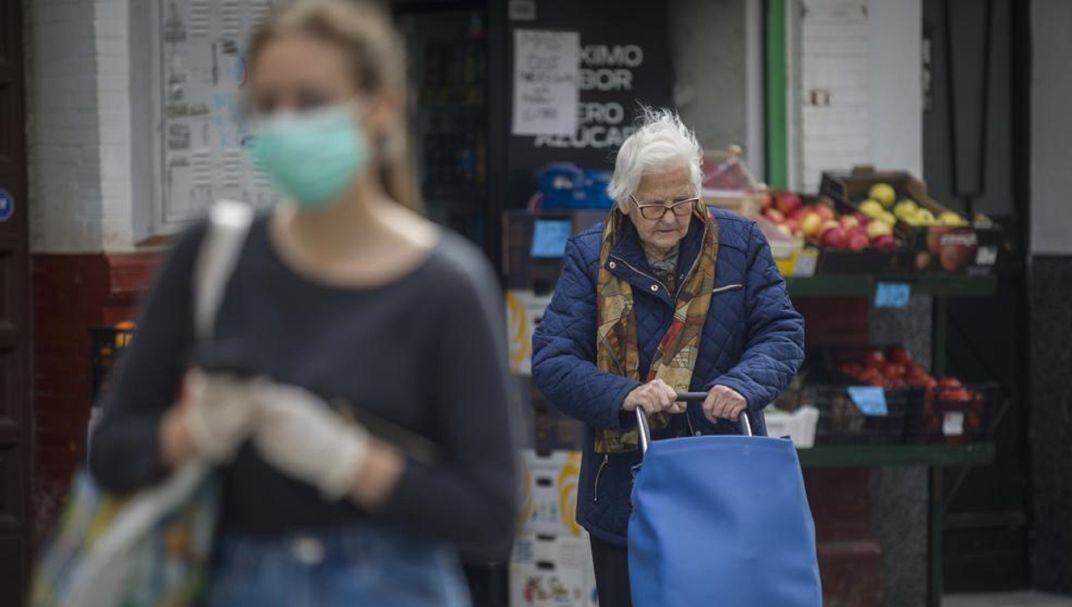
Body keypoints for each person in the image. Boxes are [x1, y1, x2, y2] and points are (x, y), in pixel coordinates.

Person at [89, 1, 517, 605]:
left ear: (381, 108)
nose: (286, 123)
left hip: (391, 585)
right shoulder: (213, 256)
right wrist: (192, 432)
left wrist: (347, 461)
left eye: (311, 101)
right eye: (267, 105)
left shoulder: (446, 285)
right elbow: (111, 452)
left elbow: (490, 518)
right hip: (232, 580)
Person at [532, 108, 804, 606]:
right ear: (625, 200)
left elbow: (781, 331)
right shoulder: (591, 256)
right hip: (625, 491)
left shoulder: (740, 242)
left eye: (682, 201)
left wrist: (744, 383)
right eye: (654, 205)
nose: (671, 217)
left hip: (725, 483)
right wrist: (626, 394)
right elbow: (553, 359)